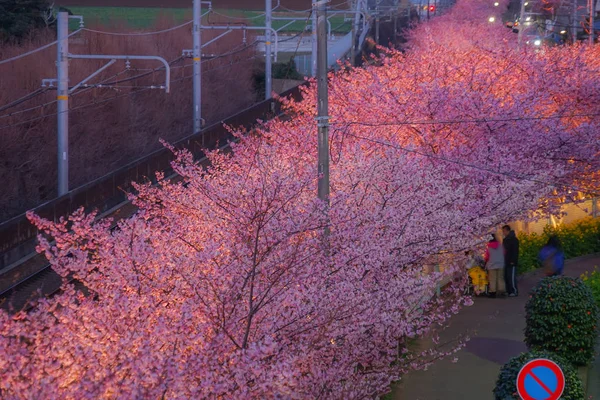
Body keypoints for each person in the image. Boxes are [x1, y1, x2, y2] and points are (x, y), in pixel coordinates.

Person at [484, 234, 505, 298]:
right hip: (500, 264)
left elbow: (487, 257)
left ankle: (493, 292)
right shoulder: (501, 246)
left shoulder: (489, 248)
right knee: (500, 278)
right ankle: (502, 292)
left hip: (492, 265)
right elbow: (504, 253)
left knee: (492, 279)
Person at [502, 225, 519, 297]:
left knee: (511, 276)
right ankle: (509, 291)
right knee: (506, 276)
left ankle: (514, 291)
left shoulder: (514, 240)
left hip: (511, 261)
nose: (503, 233)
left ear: (507, 230)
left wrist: (513, 260)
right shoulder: (505, 240)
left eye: (504, 231)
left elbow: (515, 251)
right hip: (505, 260)